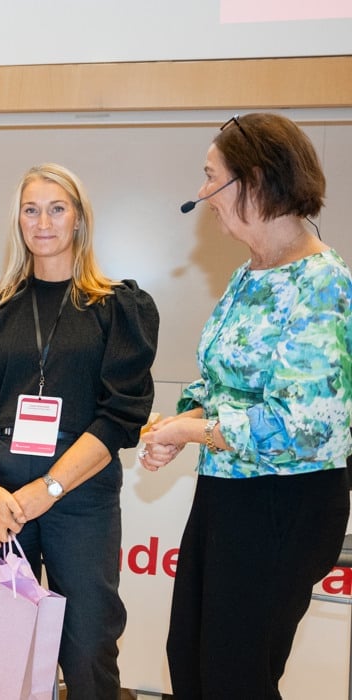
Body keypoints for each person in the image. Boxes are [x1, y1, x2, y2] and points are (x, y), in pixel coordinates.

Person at [140, 113, 351, 699]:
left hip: (285, 502)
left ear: (253, 181)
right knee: (191, 662)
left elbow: (308, 424)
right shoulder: (248, 273)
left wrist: (196, 431)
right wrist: (180, 421)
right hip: (226, 492)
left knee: (237, 679)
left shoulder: (321, 282)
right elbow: (219, 380)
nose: (203, 196)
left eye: (211, 178)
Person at [0, 163, 158, 698]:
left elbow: (119, 417)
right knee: (4, 651)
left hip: (79, 500)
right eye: (31, 209)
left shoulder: (118, 307)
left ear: (79, 220)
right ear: (18, 221)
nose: (42, 221)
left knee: (88, 644)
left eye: (56, 208)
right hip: (0, 502)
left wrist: (47, 489)